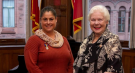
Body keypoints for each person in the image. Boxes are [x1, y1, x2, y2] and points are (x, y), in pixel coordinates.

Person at [73, 5, 123, 73]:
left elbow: (113, 69)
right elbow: (76, 65)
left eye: (100, 19)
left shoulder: (113, 40)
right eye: (93, 20)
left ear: (107, 21)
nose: (96, 23)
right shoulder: (85, 41)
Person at [24, 6, 74, 73]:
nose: (48, 22)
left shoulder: (63, 40)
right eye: (45, 19)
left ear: (56, 19)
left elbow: (71, 64)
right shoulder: (34, 40)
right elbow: (31, 66)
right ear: (40, 20)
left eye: (51, 19)